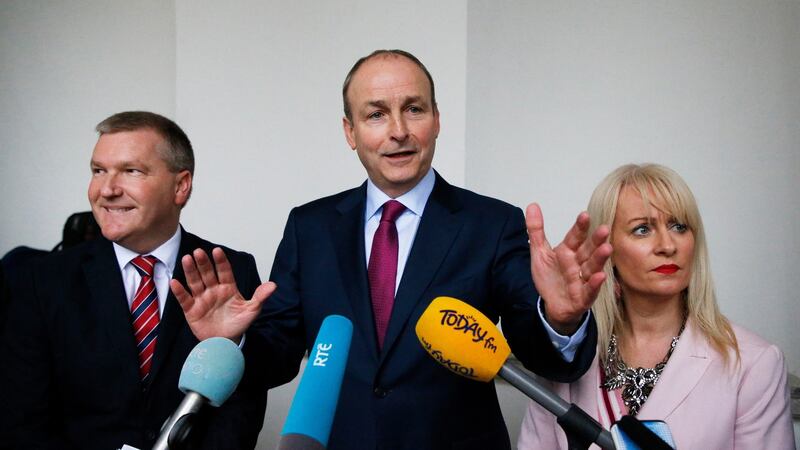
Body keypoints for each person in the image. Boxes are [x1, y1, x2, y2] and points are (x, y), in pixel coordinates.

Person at [171, 49, 612, 450]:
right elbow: (279, 356)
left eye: (413, 109)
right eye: (376, 115)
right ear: (350, 131)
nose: (398, 131)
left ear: (437, 119)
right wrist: (234, 342)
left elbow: (539, 354)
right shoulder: (310, 227)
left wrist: (560, 318)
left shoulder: (491, 224)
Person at [0, 111, 270, 450]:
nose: (107, 190)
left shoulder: (229, 270)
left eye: (131, 171)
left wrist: (230, 345)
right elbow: (21, 420)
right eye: (98, 171)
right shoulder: (42, 280)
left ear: (180, 186)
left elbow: (241, 409)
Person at [517, 163, 795, 449]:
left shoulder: (753, 363)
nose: (667, 245)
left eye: (679, 226)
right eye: (642, 229)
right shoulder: (566, 356)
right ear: (605, 246)